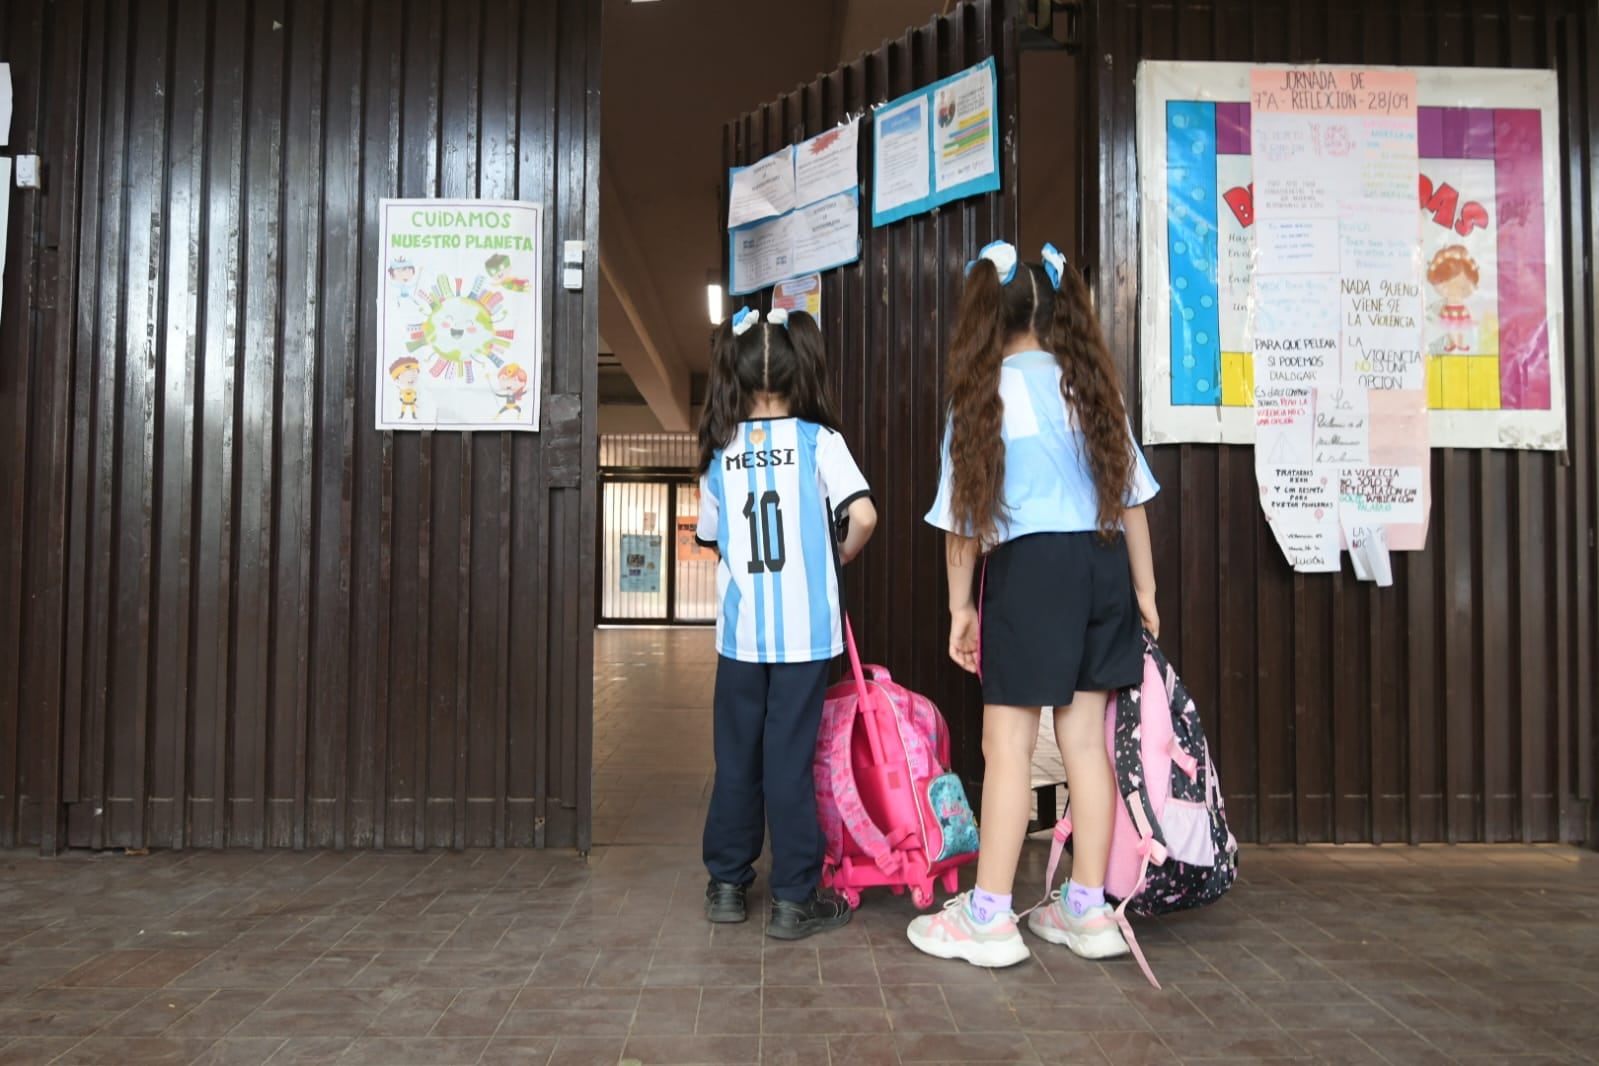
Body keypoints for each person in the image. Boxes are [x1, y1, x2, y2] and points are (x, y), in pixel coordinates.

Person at [906, 241, 1160, 968]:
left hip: (1029, 571)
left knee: (1007, 747)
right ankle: (1085, 910)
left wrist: (960, 608)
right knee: (1085, 745)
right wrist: (1144, 592)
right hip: (1103, 565)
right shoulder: (1089, 388)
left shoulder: (981, 395)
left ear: (988, 314)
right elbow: (1133, 501)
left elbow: (963, 523)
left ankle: (987, 917)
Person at [696, 306, 878, 940]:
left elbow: (713, 538)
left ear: (739, 378)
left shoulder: (722, 450)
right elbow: (863, 515)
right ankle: (794, 899)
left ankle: (726, 883)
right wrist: (839, 554)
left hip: (742, 639)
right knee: (789, 761)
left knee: (736, 759)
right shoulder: (819, 442)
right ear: (799, 372)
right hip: (805, 637)